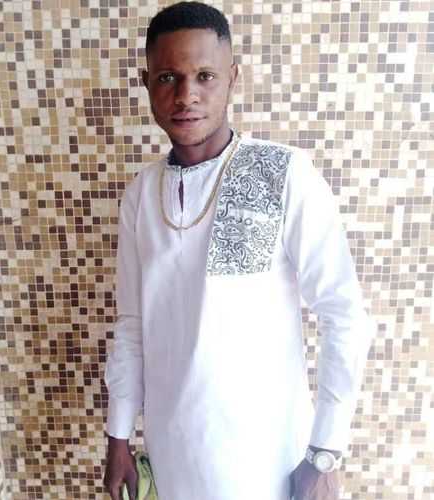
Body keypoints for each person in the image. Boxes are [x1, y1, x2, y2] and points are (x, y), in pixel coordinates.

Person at [103, 2, 374, 500]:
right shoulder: (141, 194)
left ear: (233, 77)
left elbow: (344, 315)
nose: (186, 95)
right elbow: (132, 324)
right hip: (173, 454)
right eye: (168, 77)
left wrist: (325, 452)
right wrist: (117, 437)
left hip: (269, 460)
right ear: (146, 83)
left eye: (205, 76)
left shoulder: (285, 173)